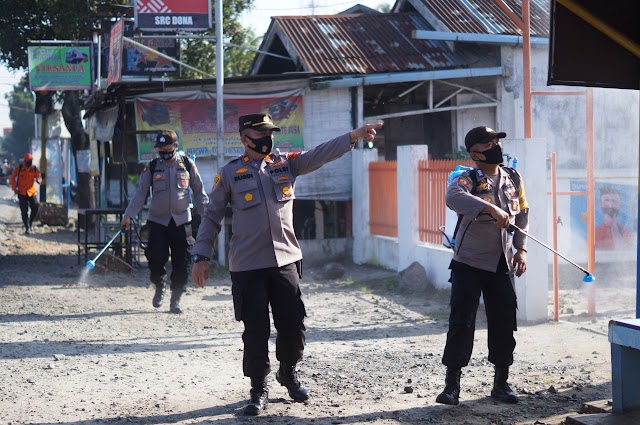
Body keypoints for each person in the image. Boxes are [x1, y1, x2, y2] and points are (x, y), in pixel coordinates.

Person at [191, 113, 381, 415]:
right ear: (244, 139)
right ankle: (258, 388)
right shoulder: (229, 173)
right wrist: (201, 255)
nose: (268, 139)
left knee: (293, 323)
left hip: (285, 260)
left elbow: (319, 154)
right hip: (248, 265)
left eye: (270, 133)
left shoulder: (286, 164)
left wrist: (353, 136)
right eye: (261, 133)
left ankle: (288, 372)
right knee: (256, 329)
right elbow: (211, 215)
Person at [435, 126, 529, 406]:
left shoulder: (513, 177)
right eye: (489, 143)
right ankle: (452, 386)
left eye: (496, 141)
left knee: (504, 322)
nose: (495, 146)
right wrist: (489, 208)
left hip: (501, 263)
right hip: (469, 262)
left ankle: (501, 383)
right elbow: (452, 198)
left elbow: (523, 215)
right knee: (461, 322)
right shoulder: (467, 178)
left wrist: (521, 249)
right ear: (476, 153)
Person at [120, 130, 209, 314]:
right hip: (158, 222)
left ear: (175, 147)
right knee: (155, 258)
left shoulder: (187, 165)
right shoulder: (152, 167)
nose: (163, 152)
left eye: (167, 149)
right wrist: (129, 215)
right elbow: (140, 193)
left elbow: (199, 192)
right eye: (160, 149)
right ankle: (159, 285)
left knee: (181, 262)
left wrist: (208, 216)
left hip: (182, 221)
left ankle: (176, 298)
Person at [10, 153, 42, 234]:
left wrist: (39, 180)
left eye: (30, 161)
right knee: (24, 211)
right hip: (22, 192)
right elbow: (12, 178)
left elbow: (39, 176)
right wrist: (14, 188)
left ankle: (30, 222)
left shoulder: (34, 168)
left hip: (32, 192)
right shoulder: (19, 168)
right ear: (25, 161)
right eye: (28, 161)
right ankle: (27, 227)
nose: (29, 163)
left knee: (35, 208)